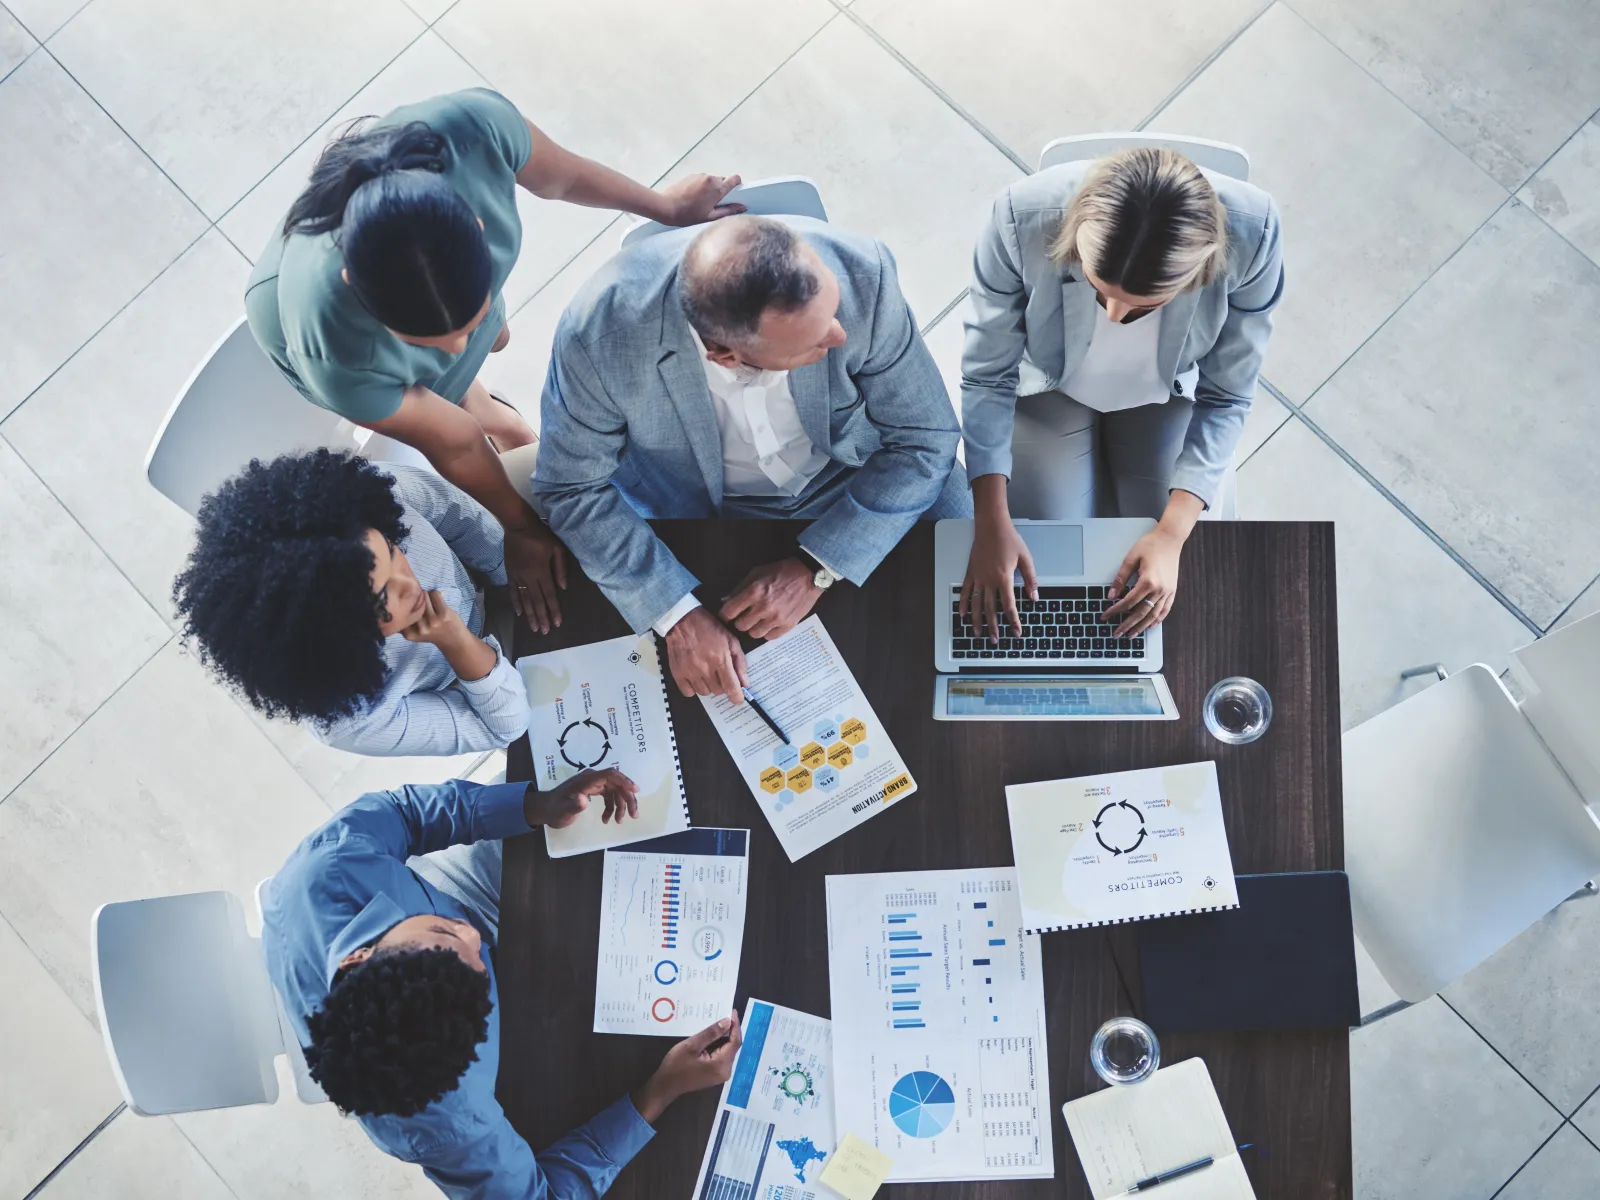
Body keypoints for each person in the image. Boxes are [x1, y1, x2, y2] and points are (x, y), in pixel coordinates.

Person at [245, 87, 744, 635]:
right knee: (451, 397)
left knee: (488, 348)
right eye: (428, 339)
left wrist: (666, 207)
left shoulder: (475, 128)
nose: (457, 349)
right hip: (330, 345)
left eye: (468, 320)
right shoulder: (334, 352)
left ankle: (489, 406)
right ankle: (491, 411)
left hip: (422, 302)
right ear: (355, 289)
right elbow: (452, 439)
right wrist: (522, 528)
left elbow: (566, 178)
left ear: (479, 228)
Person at [535, 214, 970, 703]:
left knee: (978, 632)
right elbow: (570, 487)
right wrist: (675, 615)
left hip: (862, 469)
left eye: (831, 312)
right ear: (725, 354)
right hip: (706, 507)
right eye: (812, 342)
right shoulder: (597, 341)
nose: (837, 336)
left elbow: (925, 436)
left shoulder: (863, 275)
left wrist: (818, 565)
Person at [261, 767, 742, 1198]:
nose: (475, 937)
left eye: (443, 933)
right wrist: (660, 1090)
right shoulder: (449, 1122)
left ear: (360, 957)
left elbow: (405, 813)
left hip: (449, 885)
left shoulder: (329, 867)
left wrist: (533, 805)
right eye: (476, 976)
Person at [959, 148, 1283, 642]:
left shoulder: (1254, 234)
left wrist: (1172, 533)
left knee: (1172, 590)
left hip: (1165, 400)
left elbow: (1227, 396)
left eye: (1143, 306)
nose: (1113, 315)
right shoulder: (1016, 218)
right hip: (1048, 393)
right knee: (1047, 573)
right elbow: (987, 376)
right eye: (1097, 288)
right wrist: (989, 521)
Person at [173, 449, 526, 757]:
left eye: (392, 550)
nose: (409, 584)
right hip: (483, 682)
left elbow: (457, 515)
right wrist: (456, 642)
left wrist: (511, 578)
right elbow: (504, 727)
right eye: (379, 596)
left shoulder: (374, 497)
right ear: (333, 634)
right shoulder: (350, 718)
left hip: (494, 579)